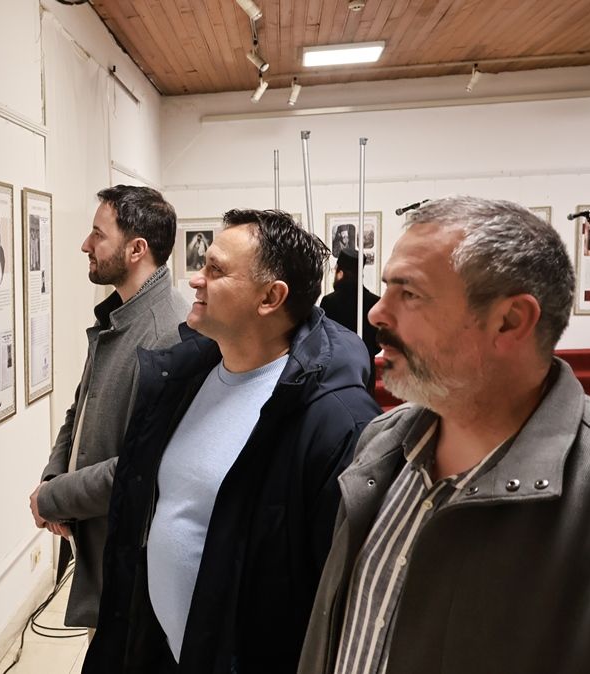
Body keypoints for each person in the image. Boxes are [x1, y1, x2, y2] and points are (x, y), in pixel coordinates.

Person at [299, 197, 590, 674]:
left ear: (510, 321)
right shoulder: (383, 443)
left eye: (410, 293)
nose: (377, 314)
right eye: (387, 288)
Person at [85, 209, 380, 673]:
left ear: (270, 297)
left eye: (215, 270)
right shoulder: (185, 373)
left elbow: (333, 598)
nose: (195, 279)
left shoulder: (333, 421)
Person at [29, 185, 191, 634]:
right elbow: (80, 407)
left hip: (132, 573)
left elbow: (141, 469)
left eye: (98, 235)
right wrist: (53, 477)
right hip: (103, 555)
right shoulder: (121, 316)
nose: (86, 244)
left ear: (136, 249)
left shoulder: (167, 335)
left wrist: (53, 498)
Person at [320, 248, 381, 392]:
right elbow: (379, 341)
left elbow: (323, 338)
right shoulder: (375, 302)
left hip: (336, 369)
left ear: (340, 273)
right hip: (366, 369)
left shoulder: (329, 301)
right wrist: (367, 352)